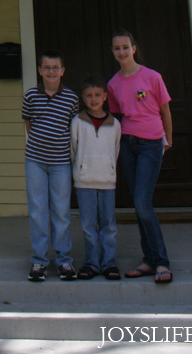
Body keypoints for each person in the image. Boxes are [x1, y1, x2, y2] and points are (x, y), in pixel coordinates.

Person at [107, 28, 173, 284]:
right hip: (128, 144)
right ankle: (148, 261)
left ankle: (161, 262)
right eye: (117, 48)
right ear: (113, 52)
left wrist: (168, 139)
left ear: (134, 48)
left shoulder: (152, 77)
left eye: (126, 47)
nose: (122, 51)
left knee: (143, 204)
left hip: (151, 144)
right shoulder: (113, 84)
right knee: (139, 205)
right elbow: (117, 116)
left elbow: (165, 111)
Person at [21, 50, 80, 281]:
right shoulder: (31, 95)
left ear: (62, 71)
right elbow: (29, 123)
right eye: (47, 67)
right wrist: (39, 147)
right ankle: (39, 260)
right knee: (37, 210)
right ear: (40, 71)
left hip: (61, 163)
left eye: (56, 68)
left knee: (61, 210)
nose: (51, 71)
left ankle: (64, 260)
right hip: (35, 160)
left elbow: (72, 127)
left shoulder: (72, 99)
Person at [71, 74, 122, 280]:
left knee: (108, 224)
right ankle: (91, 263)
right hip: (84, 181)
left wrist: (109, 169)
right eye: (89, 95)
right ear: (83, 98)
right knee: (88, 225)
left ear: (105, 97)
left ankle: (108, 263)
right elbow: (72, 149)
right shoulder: (77, 122)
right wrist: (81, 169)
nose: (94, 99)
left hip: (107, 181)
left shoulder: (114, 124)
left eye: (98, 95)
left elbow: (116, 150)